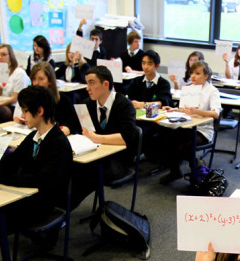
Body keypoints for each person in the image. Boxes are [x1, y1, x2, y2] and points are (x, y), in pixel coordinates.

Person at [0, 86, 73, 261]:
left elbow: (42, 180)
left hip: (41, 205)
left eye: (26, 111)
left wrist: (2, 178)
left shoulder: (58, 143)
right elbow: (10, 161)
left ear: (40, 111)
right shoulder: (34, 137)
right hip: (24, 196)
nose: (22, 115)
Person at [77, 65, 138, 202]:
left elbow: (127, 137)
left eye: (92, 83)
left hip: (118, 160)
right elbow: (74, 124)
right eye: (87, 83)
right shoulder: (87, 104)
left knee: (84, 173)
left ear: (106, 84)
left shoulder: (124, 104)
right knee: (73, 168)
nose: (87, 88)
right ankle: (62, 209)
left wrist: (96, 138)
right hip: (96, 155)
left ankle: (64, 210)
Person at [159, 60, 221, 185]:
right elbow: (184, 109)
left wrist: (197, 112)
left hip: (202, 130)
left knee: (183, 145)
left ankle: (197, 170)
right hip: (186, 126)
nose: (193, 76)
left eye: (197, 73)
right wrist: (174, 109)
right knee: (166, 138)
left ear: (206, 76)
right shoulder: (188, 88)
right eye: (192, 73)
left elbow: (215, 113)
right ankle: (176, 171)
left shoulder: (212, 91)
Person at [126, 50, 172, 163]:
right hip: (138, 117)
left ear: (157, 66)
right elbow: (129, 99)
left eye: (149, 63)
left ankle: (131, 158)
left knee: (139, 132)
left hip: (154, 120)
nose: (145, 66)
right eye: (143, 63)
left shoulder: (163, 83)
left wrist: (144, 104)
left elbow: (162, 102)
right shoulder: (137, 81)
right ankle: (125, 159)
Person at [19, 62, 80, 136]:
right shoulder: (29, 100)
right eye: (34, 79)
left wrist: (65, 129)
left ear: (50, 80)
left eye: (41, 79)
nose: (36, 83)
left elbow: (71, 125)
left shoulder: (63, 100)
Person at [0, 43, 31, 122]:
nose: (0, 57)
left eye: (3, 55)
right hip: (3, 103)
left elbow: (15, 98)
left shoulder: (19, 73)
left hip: (15, 106)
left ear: (10, 56)